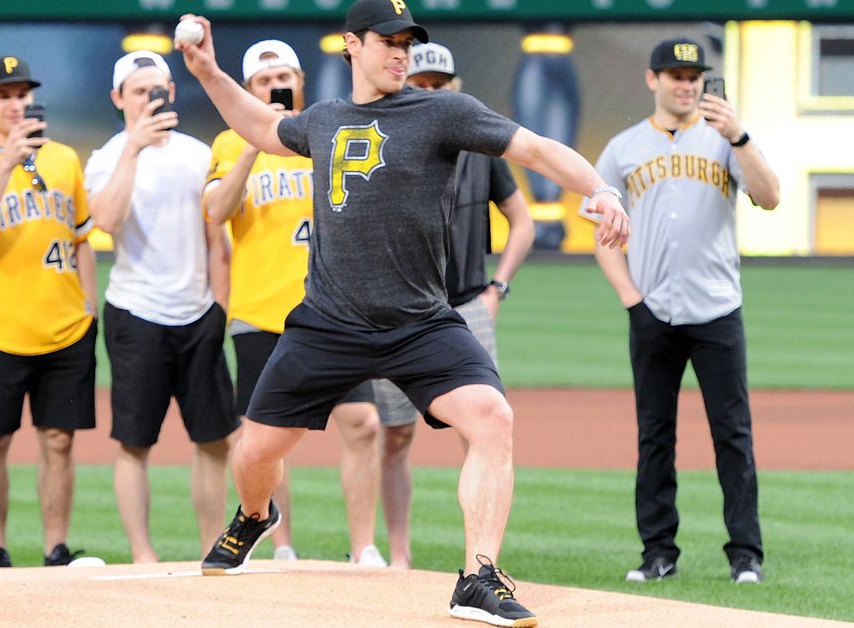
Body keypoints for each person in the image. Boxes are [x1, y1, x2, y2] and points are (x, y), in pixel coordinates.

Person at [177, 0, 629, 625]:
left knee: (492, 418)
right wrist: (207, 71)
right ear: (352, 45)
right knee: (253, 453)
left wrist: (600, 189)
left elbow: (536, 148)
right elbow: (257, 125)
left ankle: (478, 578)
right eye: (387, 41)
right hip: (329, 323)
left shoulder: (444, 111)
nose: (400, 53)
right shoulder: (324, 119)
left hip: (419, 321)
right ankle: (256, 515)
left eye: (407, 43)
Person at [583, 38, 778, 585]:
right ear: (653, 80)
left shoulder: (725, 140)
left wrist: (739, 136)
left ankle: (746, 554)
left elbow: (769, 196)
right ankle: (658, 552)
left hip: (717, 308)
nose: (687, 84)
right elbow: (601, 235)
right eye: (675, 75)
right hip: (653, 310)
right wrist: (632, 300)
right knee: (655, 436)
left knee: (732, 435)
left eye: (694, 76)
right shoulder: (622, 148)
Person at [203, 39, 384, 567]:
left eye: (283, 78)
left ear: (300, 81)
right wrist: (255, 140)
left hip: (335, 307)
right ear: (247, 90)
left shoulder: (328, 129)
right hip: (262, 311)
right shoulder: (228, 140)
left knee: (363, 423)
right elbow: (216, 210)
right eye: (263, 82)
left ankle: (364, 545)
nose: (275, 87)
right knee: (264, 439)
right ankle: (281, 545)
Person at [372, 41, 535, 570]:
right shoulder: (383, 138)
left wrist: (497, 290)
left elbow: (523, 222)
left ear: (455, 88)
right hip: (400, 309)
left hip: (465, 307)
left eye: (439, 85)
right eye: (420, 84)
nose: (430, 92)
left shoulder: (480, 147)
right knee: (395, 435)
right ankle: (399, 555)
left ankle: (479, 560)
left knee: (482, 430)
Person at [0, 56, 98, 568]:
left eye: (22, 94)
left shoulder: (64, 159)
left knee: (60, 439)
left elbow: (82, 237)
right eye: (3, 95)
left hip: (66, 326)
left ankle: (56, 547)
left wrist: (89, 304)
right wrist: (7, 161)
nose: (15, 104)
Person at [84, 51, 239, 563]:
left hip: (197, 313)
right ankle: (142, 553)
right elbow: (105, 220)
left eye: (158, 89)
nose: (149, 98)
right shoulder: (107, 156)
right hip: (136, 312)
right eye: (137, 90)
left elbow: (217, 239)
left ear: (171, 93)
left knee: (214, 440)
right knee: (134, 442)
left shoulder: (197, 154)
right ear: (118, 99)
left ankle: (212, 547)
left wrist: (219, 308)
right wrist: (134, 146)